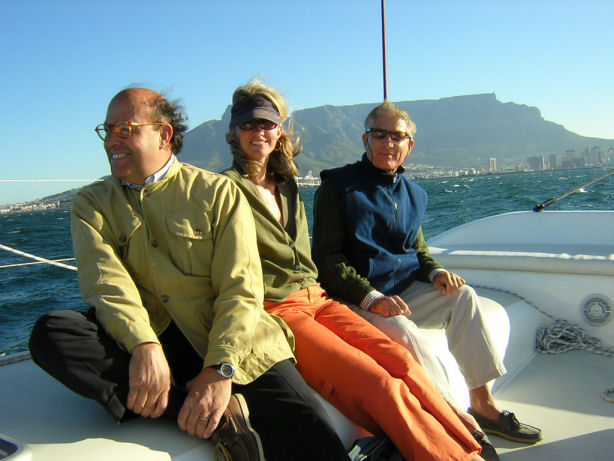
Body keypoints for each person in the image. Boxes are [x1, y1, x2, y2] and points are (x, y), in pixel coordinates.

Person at [28, 88, 351, 461]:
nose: (112, 140)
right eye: (108, 130)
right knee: (52, 335)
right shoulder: (92, 203)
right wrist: (142, 345)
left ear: (163, 135)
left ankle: (201, 400)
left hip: (229, 339)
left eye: (125, 128)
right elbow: (106, 284)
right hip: (153, 338)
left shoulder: (217, 193)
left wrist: (219, 370)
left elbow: (241, 287)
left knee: (312, 433)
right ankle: (215, 419)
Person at [223, 80, 487, 461]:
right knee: (381, 384)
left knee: (401, 362)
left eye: (267, 123)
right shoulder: (223, 189)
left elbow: (416, 246)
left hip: (320, 298)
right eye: (248, 124)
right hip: (280, 309)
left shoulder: (287, 184)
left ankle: (467, 438)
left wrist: (432, 271)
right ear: (234, 132)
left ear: (279, 129)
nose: (258, 132)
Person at [311, 101, 542, 445]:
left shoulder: (414, 194)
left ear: (409, 145)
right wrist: (371, 297)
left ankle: (483, 404)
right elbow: (327, 258)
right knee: (404, 332)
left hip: (402, 293)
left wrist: (436, 273)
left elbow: (418, 252)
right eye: (380, 134)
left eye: (397, 136)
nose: (388, 143)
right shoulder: (338, 187)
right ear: (366, 139)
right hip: (357, 299)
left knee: (463, 297)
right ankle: (454, 421)